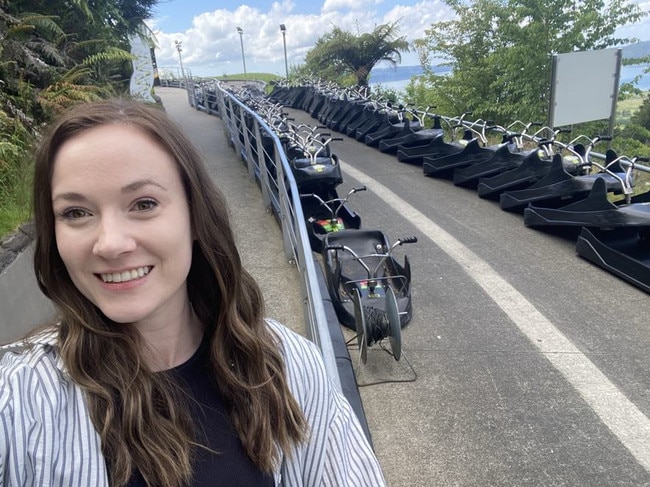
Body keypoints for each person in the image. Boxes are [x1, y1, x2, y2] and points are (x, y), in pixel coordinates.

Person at [0, 98, 386, 486]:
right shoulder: (19, 400)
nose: (110, 244)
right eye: (76, 213)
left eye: (144, 204)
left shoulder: (289, 366)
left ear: (196, 216)